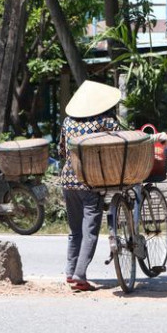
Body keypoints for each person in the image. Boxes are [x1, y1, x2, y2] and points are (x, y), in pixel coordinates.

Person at [58, 80, 121, 292]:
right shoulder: (106, 121)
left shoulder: (68, 122)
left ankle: (69, 271)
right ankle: (80, 275)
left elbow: (62, 150)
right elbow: (121, 143)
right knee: (90, 230)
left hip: (68, 178)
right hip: (91, 181)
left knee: (74, 229)